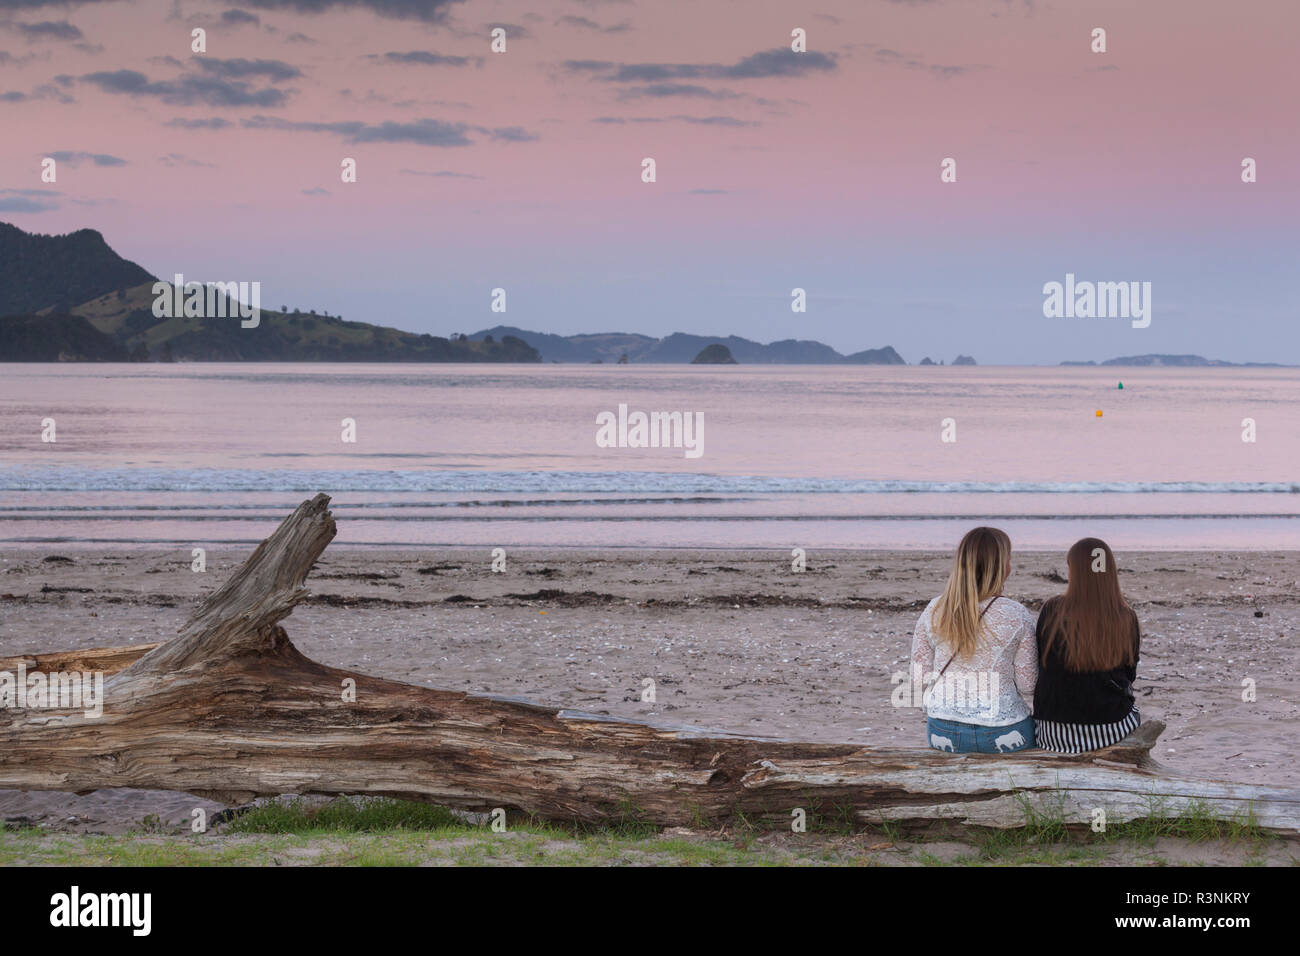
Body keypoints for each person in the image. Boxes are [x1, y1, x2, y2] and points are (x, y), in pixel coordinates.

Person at [911, 527, 1038, 753]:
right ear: (1001, 567)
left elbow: (918, 678)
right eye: (1009, 559)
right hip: (1003, 728)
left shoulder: (933, 610)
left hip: (943, 728)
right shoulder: (1016, 614)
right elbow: (1028, 685)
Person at [1033, 537, 1141, 753]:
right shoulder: (1126, 615)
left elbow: (1040, 663)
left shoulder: (1052, 609)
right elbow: (1130, 674)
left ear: (1074, 571)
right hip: (1111, 728)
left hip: (1054, 731)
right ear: (1109, 572)